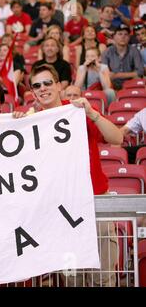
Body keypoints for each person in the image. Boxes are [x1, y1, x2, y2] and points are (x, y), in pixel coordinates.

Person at [16, 63, 123, 287]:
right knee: (73, 281)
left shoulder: (78, 112)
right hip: (59, 211)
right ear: (33, 92)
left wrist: (92, 114)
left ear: (58, 85)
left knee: (103, 279)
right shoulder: (31, 122)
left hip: (94, 204)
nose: (43, 88)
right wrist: (16, 125)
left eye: (47, 83)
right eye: (37, 86)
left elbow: (117, 139)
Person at [101, 24, 144, 90]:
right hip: (113, 84)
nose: (123, 37)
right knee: (105, 82)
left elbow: (140, 72)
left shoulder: (134, 51)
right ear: (114, 37)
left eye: (126, 34)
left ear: (129, 37)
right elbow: (104, 73)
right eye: (120, 34)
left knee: (138, 78)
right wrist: (132, 74)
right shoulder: (107, 52)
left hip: (131, 83)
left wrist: (117, 75)